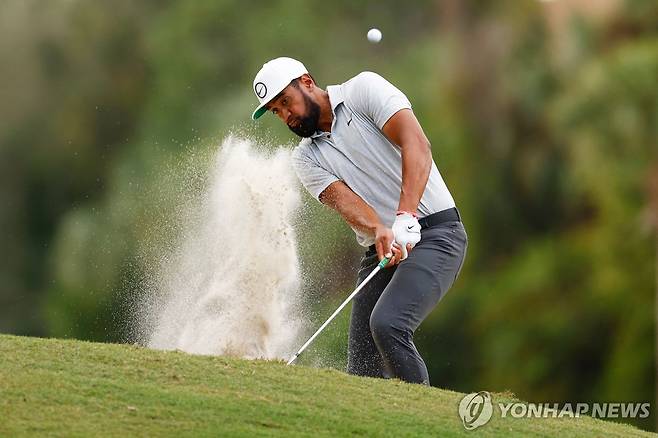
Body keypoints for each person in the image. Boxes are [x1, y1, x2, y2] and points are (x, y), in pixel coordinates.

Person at [251, 57, 467, 385]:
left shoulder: (363, 91)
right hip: (382, 247)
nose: (286, 115)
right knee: (363, 368)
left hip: (438, 233)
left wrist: (406, 215)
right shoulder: (306, 158)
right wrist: (379, 229)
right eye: (277, 112)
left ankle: (423, 418)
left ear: (307, 83)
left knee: (389, 324)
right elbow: (347, 203)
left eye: (285, 101)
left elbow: (417, 145)